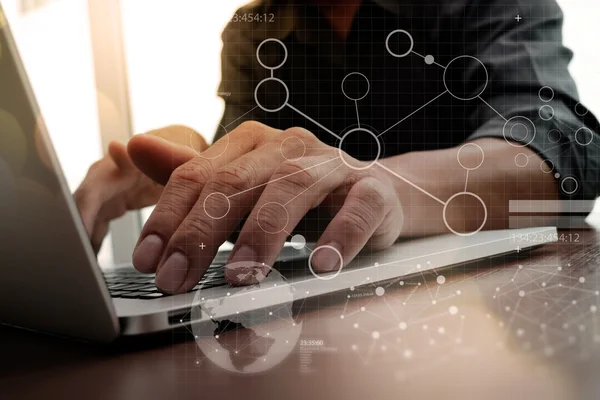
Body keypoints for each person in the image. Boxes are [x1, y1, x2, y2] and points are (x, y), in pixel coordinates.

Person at [75, 0, 600, 294]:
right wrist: (190, 159)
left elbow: (559, 149)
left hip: (484, 301)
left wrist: (375, 185)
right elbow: (250, 152)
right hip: (309, 308)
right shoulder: (252, 31)